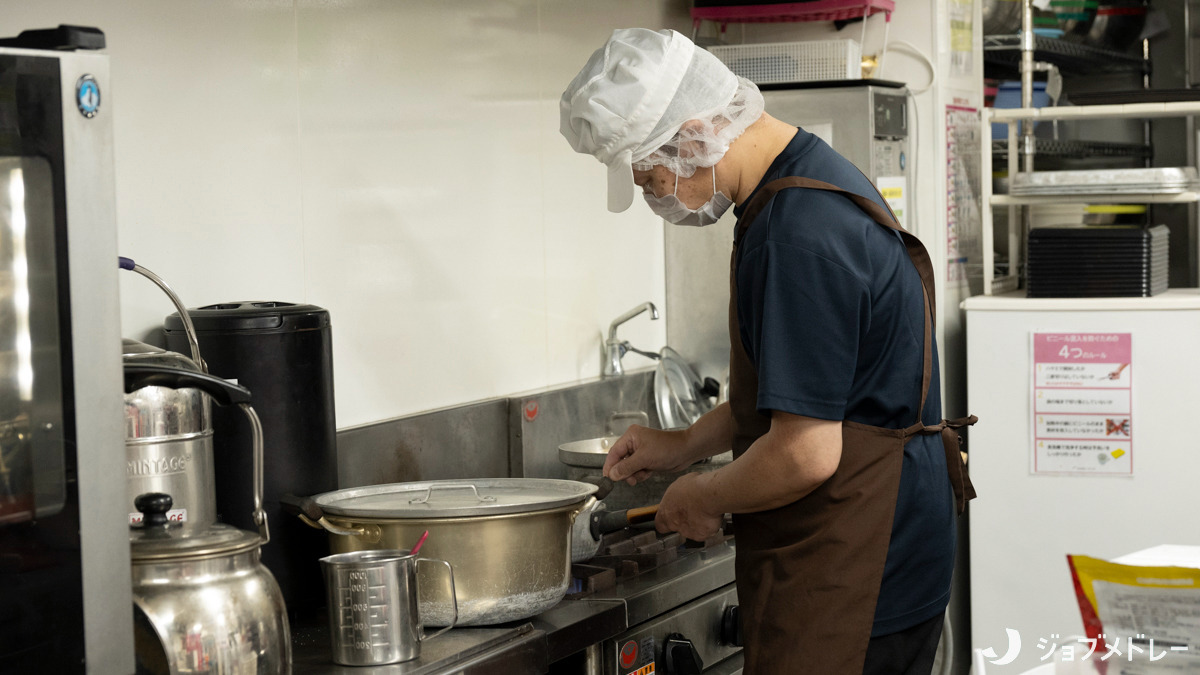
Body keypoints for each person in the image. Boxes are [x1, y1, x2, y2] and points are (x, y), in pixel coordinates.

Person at [559, 28, 976, 674]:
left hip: (855, 574)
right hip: (879, 549)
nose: (653, 197)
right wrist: (682, 445)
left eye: (649, 176)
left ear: (691, 136)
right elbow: (803, 395)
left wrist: (704, 495)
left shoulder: (796, 234)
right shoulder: (804, 182)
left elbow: (806, 451)